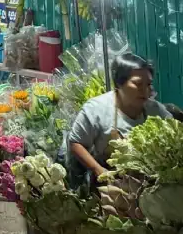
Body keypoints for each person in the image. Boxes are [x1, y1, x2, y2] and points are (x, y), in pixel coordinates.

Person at [66, 51, 172, 187]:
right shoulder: (97, 109)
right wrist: (99, 170)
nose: (146, 91)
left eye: (148, 84)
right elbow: (75, 142)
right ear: (119, 83)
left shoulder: (155, 110)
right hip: (110, 183)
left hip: (147, 182)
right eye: (138, 84)